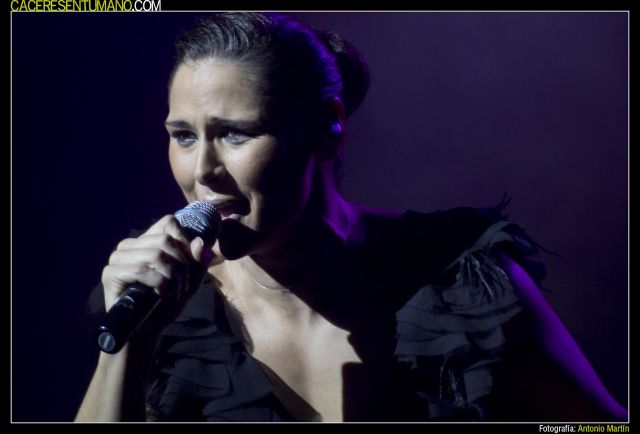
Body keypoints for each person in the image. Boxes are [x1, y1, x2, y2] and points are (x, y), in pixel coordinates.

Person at [75, 12, 627, 422]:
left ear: (327, 125)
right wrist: (130, 344)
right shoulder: (174, 311)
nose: (203, 171)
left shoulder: (457, 275)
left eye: (235, 134)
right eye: (183, 137)